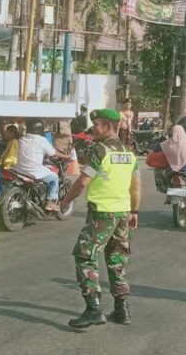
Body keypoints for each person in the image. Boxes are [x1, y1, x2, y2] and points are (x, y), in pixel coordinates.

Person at [58, 108, 141, 329]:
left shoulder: (99, 151)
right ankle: (122, 309)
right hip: (123, 213)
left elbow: (83, 181)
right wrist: (134, 211)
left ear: (108, 126)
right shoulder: (129, 153)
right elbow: (136, 186)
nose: (93, 129)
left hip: (102, 213)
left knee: (85, 256)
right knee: (117, 260)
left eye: (97, 125)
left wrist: (66, 201)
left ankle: (93, 309)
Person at [15, 120, 69, 212]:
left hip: (19, 170)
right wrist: (67, 156)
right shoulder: (41, 140)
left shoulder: (22, 139)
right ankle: (50, 202)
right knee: (54, 177)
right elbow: (54, 153)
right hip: (33, 171)